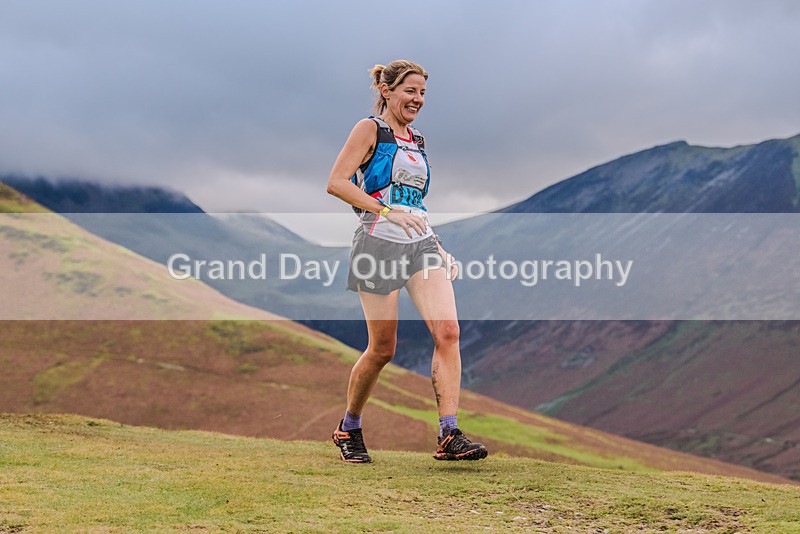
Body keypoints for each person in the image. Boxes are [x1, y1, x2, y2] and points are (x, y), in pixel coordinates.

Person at [325, 59, 488, 463]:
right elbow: (337, 182)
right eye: (410, 91)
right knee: (382, 349)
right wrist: (384, 212)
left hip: (421, 245)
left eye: (422, 94)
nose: (417, 100)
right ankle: (349, 427)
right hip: (377, 243)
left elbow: (415, 202)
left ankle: (449, 435)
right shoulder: (369, 130)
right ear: (387, 91)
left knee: (448, 332)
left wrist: (438, 244)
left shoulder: (419, 141)